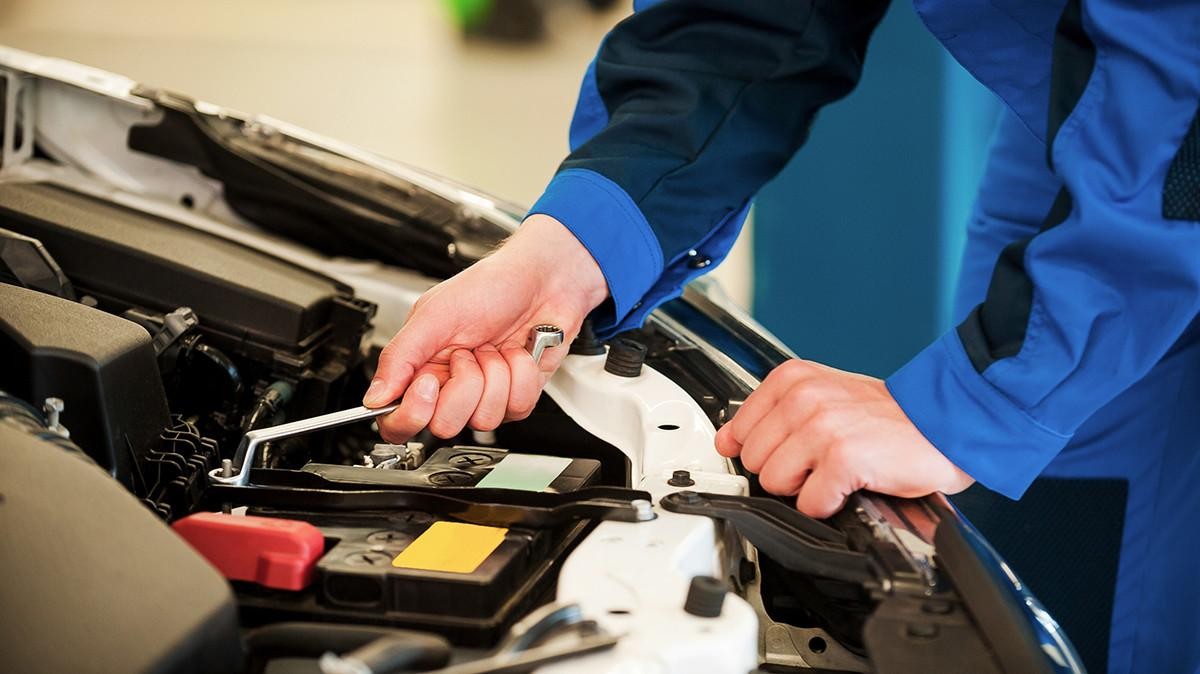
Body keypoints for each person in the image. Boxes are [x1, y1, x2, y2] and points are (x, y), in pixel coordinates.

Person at [361, 2, 1200, 672]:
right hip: (1086, 101)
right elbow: (740, 15)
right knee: (1042, 578)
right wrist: (574, 246)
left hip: (1167, 121)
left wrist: (981, 397)